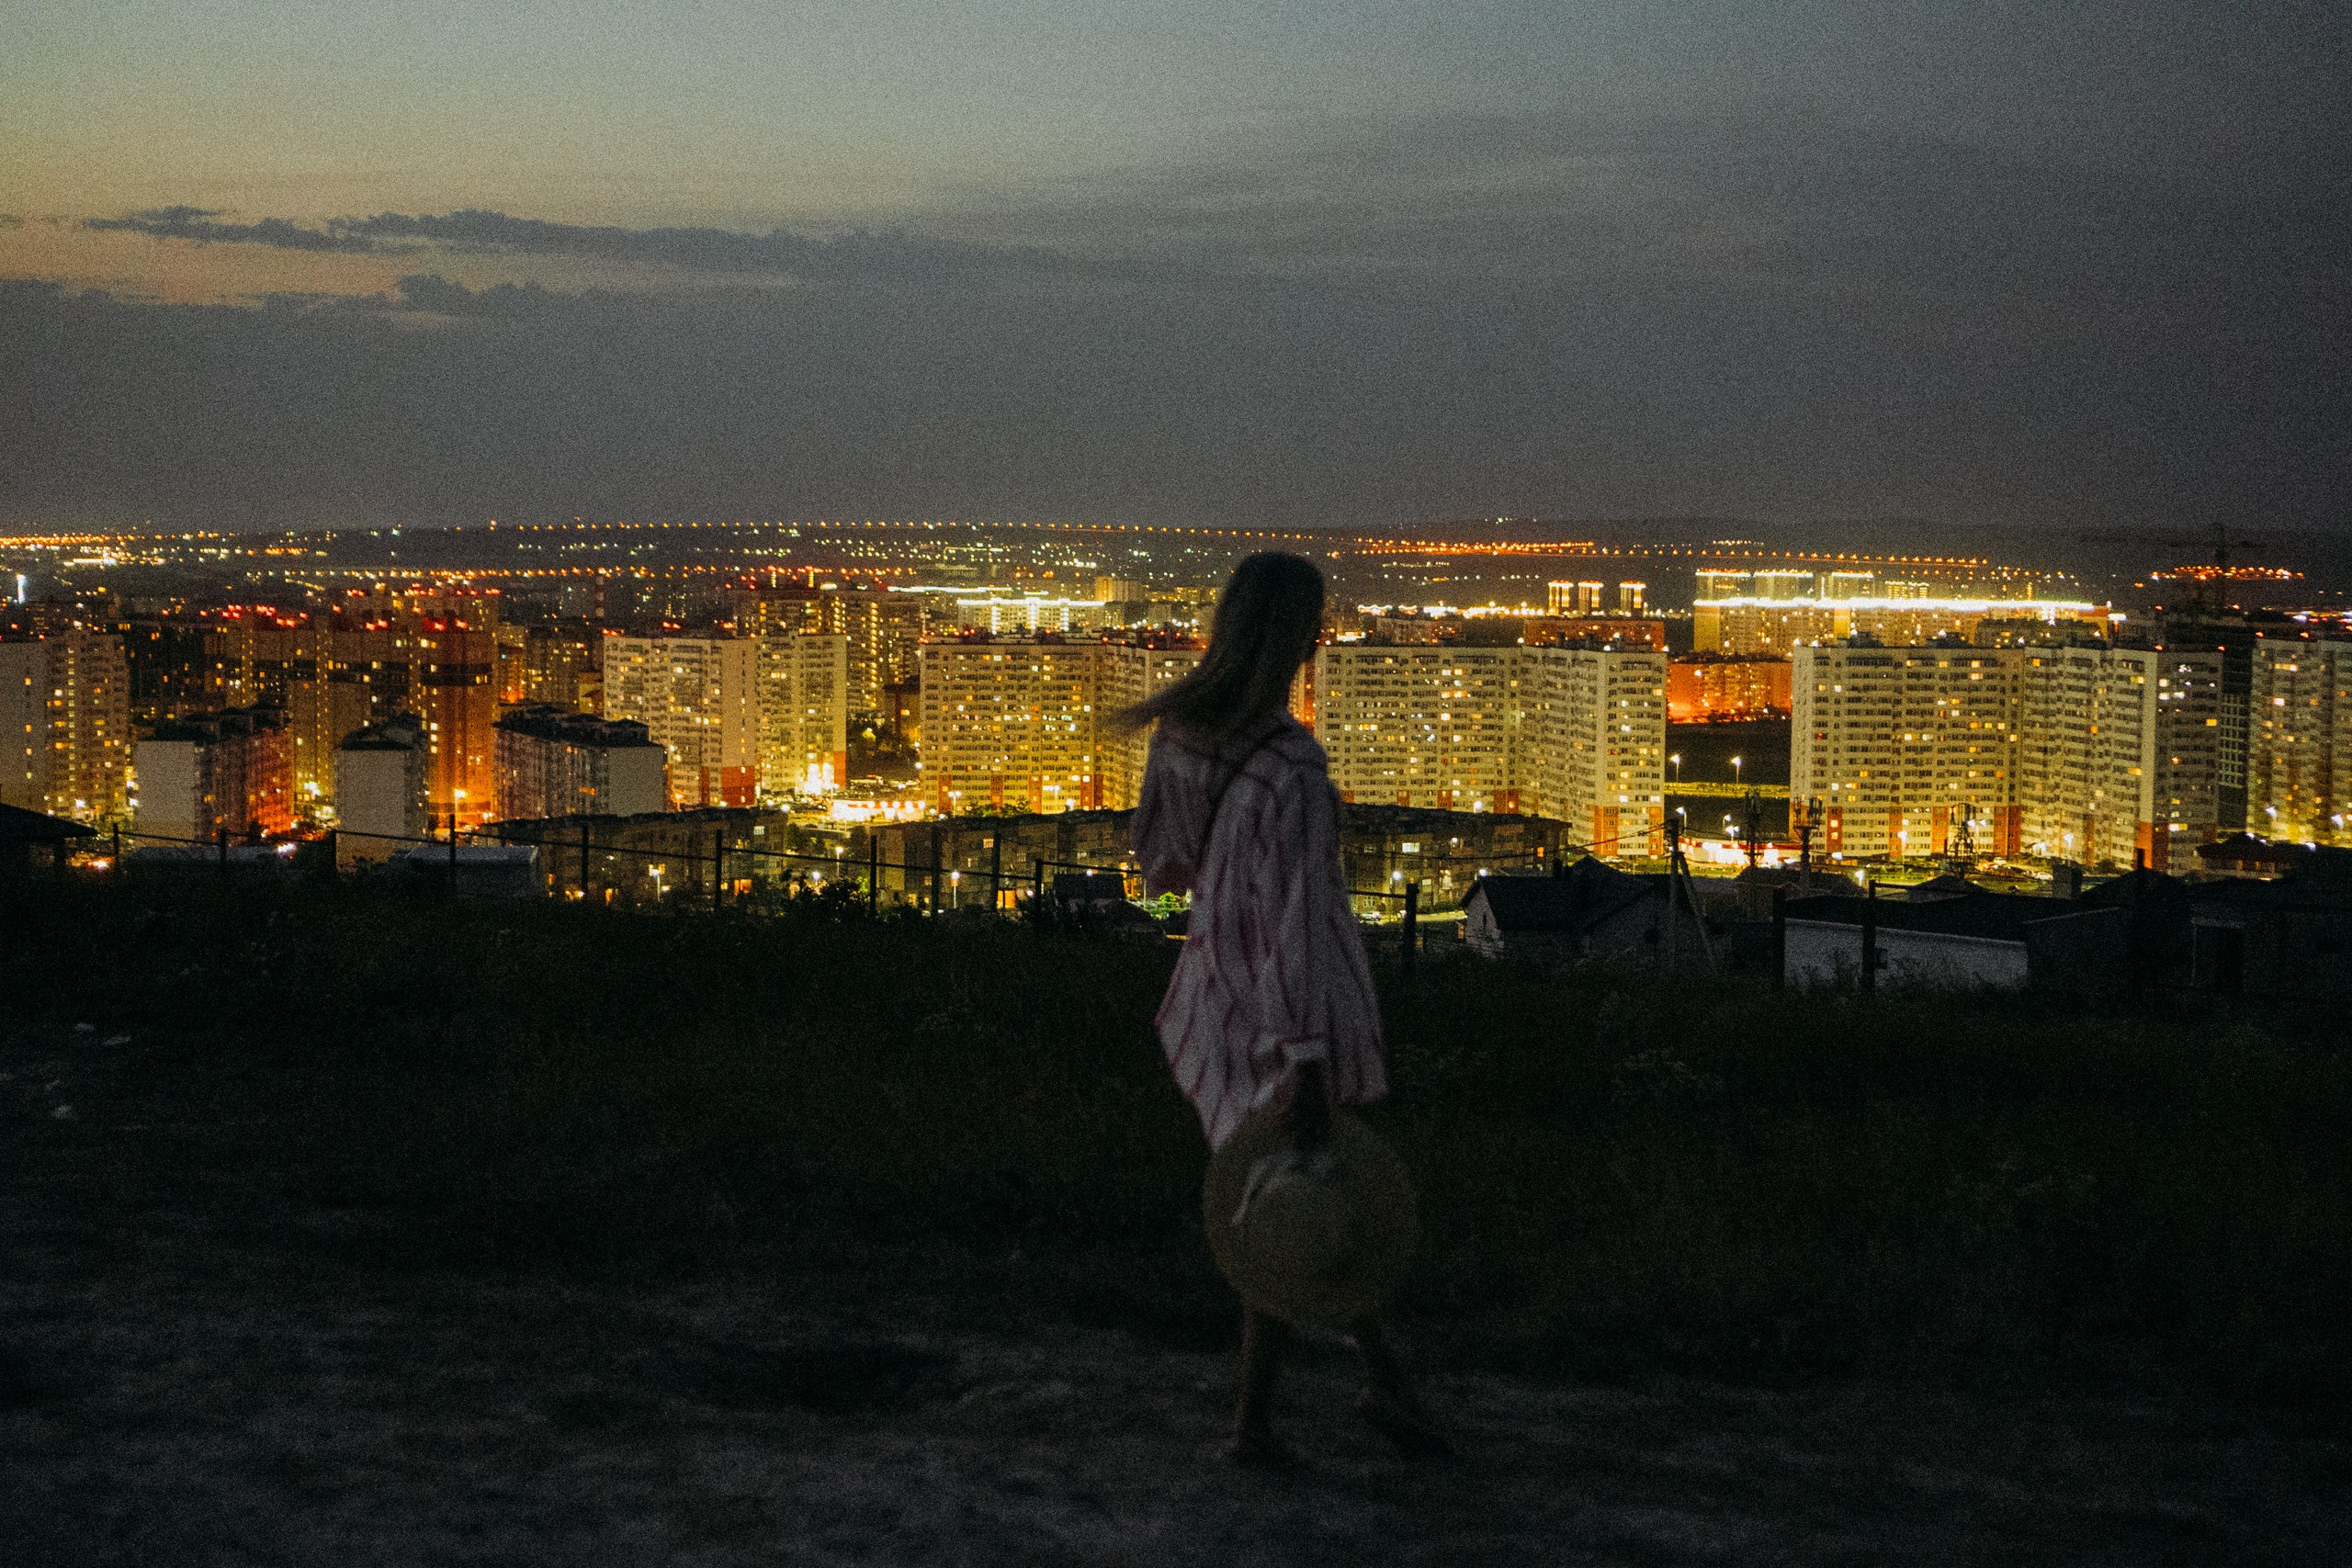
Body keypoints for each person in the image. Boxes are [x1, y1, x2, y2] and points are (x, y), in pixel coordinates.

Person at [1125, 550, 1447, 1468]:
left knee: (1295, 1201)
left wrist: (1205, 904)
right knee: (1290, 1207)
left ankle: (1381, 1383)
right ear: (1301, 637)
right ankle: (1257, 1430)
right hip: (1281, 1017)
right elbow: (1301, 919)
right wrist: (1305, 1054)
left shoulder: (1181, 731)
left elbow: (1159, 871)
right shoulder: (1294, 767)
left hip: (1211, 993)